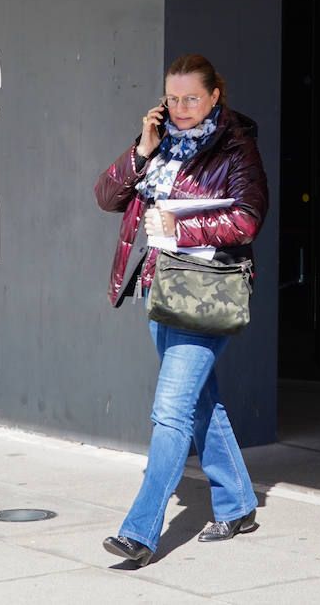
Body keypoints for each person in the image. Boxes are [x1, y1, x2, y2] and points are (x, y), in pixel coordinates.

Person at [94, 53, 267, 567]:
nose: (181, 107)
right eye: (172, 98)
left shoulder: (238, 147)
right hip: (159, 286)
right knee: (200, 401)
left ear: (216, 95)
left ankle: (140, 532)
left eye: (192, 97)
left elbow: (248, 218)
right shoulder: (161, 141)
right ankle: (237, 504)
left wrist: (180, 230)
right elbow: (106, 196)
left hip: (205, 289)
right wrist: (142, 149)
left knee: (171, 409)